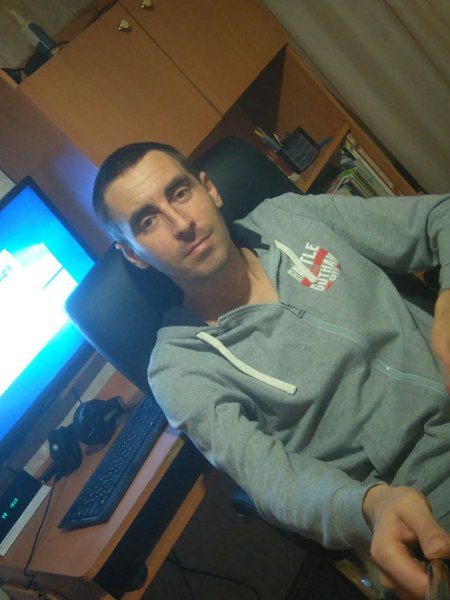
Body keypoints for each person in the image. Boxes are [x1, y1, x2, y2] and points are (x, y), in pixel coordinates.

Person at [92, 141, 450, 599]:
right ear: (134, 254)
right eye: (148, 221)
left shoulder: (291, 217)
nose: (181, 224)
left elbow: (438, 216)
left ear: (209, 190)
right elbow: (271, 479)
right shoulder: (180, 369)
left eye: (180, 193)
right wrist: (370, 506)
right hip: (423, 497)